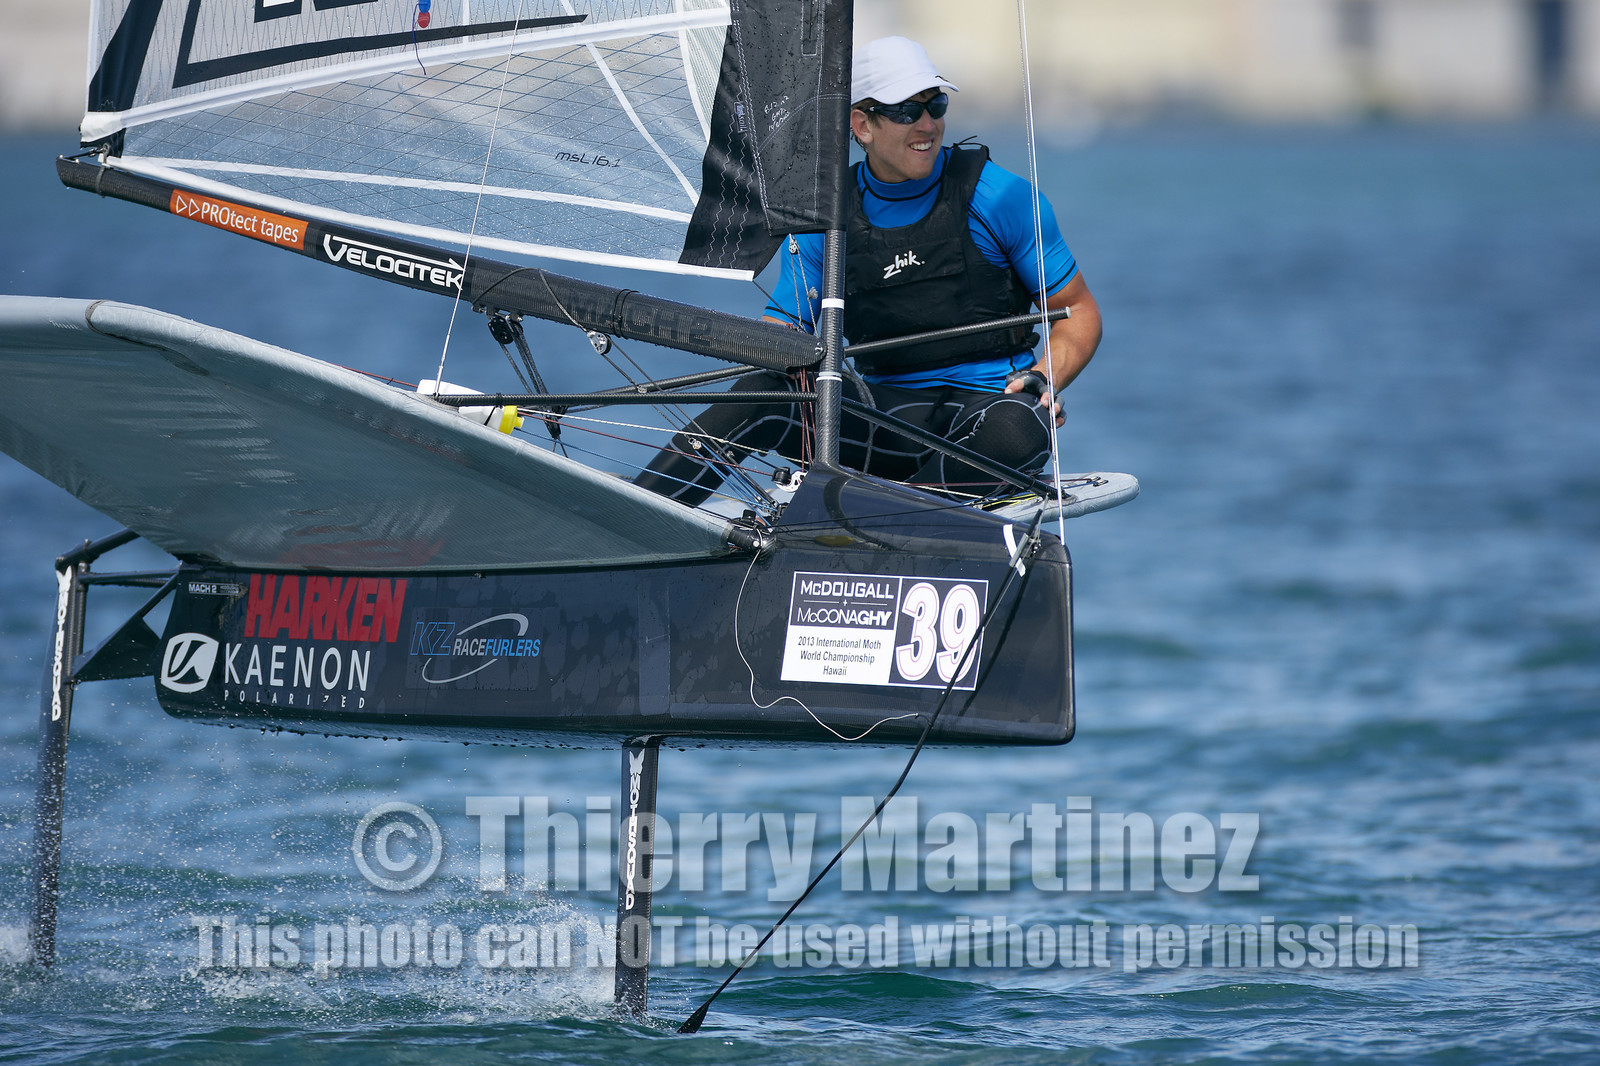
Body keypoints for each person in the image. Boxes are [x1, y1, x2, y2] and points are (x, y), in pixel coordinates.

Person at [635, 36, 1101, 506]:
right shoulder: (827, 217)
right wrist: (775, 353)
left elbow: (1078, 313)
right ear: (863, 125)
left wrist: (1046, 375)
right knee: (762, 390)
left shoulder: (1000, 199)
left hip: (988, 414)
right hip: (884, 421)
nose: (928, 124)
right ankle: (631, 517)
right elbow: (786, 326)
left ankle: (886, 518)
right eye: (905, 111)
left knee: (1022, 426)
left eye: (934, 105)